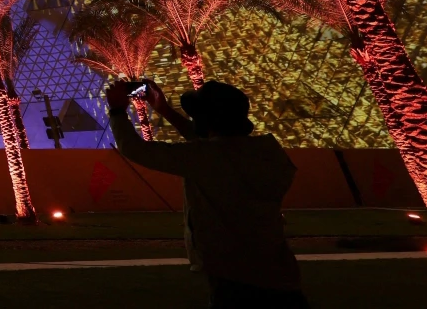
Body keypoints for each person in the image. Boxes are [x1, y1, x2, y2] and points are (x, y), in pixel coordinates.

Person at [107, 79, 308, 308]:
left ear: (206, 121)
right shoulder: (266, 152)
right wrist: (164, 110)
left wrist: (116, 111)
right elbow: (215, 146)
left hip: (235, 278)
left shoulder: (206, 158)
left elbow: (135, 149)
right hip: (279, 271)